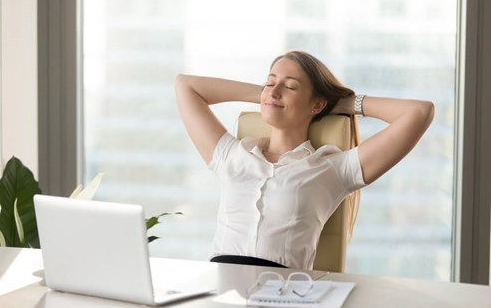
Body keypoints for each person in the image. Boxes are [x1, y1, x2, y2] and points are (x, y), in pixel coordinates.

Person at [174, 50, 434, 270]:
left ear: (317, 105)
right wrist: (268, 97)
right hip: (220, 291)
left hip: (284, 298)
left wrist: (342, 103)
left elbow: (419, 112)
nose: (274, 90)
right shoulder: (232, 155)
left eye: (289, 86)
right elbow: (185, 85)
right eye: (269, 82)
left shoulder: (332, 169)